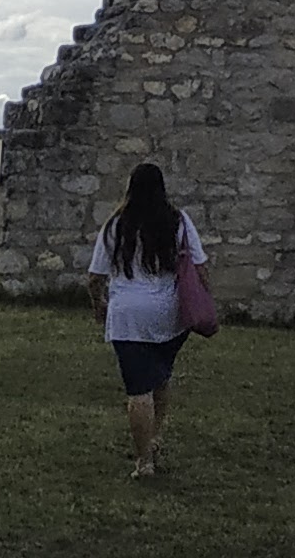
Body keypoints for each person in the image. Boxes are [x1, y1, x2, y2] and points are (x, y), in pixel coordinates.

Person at [86, 162, 209, 480]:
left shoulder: (116, 225)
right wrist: (205, 296)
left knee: (138, 388)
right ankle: (155, 436)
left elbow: (94, 277)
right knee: (160, 375)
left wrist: (98, 304)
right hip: (169, 312)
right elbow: (200, 266)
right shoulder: (178, 221)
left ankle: (144, 460)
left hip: (127, 313)